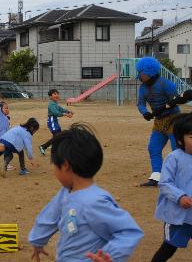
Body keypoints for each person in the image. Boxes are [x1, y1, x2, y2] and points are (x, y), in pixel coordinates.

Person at [29, 123, 144, 262]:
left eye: (54, 166)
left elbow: (129, 231)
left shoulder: (95, 202)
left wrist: (109, 255)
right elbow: (50, 215)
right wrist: (38, 241)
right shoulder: (66, 192)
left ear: (65, 166)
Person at [151, 113, 192, 261]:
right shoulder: (174, 158)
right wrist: (180, 196)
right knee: (168, 248)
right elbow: (165, 183)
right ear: (180, 140)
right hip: (178, 216)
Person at [137, 57, 180, 187]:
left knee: (176, 150)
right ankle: (157, 176)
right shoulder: (143, 88)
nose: (139, 75)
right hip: (159, 122)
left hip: (174, 120)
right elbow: (140, 103)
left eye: (141, 72)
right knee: (153, 148)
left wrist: (167, 105)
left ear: (149, 73)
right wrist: (145, 113)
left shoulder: (166, 84)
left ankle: (179, 177)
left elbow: (175, 101)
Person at [38, 89, 73, 155]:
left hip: (54, 122)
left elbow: (61, 109)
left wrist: (68, 111)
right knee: (57, 137)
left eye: (57, 94)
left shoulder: (55, 104)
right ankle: (47, 148)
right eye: (55, 94)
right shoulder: (51, 104)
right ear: (50, 97)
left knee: (58, 136)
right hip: (52, 122)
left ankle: (44, 147)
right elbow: (56, 113)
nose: (57, 95)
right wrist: (66, 114)